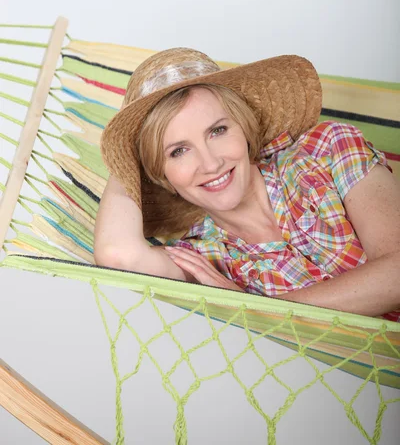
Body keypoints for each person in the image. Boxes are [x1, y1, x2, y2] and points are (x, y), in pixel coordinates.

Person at [95, 47, 400, 321]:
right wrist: (125, 150)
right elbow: (117, 254)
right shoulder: (203, 258)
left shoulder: (326, 150)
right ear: (161, 175)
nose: (211, 163)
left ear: (245, 127)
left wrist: (255, 310)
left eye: (218, 130)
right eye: (178, 151)